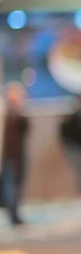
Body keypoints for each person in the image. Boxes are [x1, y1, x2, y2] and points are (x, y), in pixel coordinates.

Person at [1, 83, 30, 226]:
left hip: (14, 156)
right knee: (12, 186)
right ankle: (14, 216)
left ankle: (14, 214)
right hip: (12, 156)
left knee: (12, 186)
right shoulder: (12, 115)